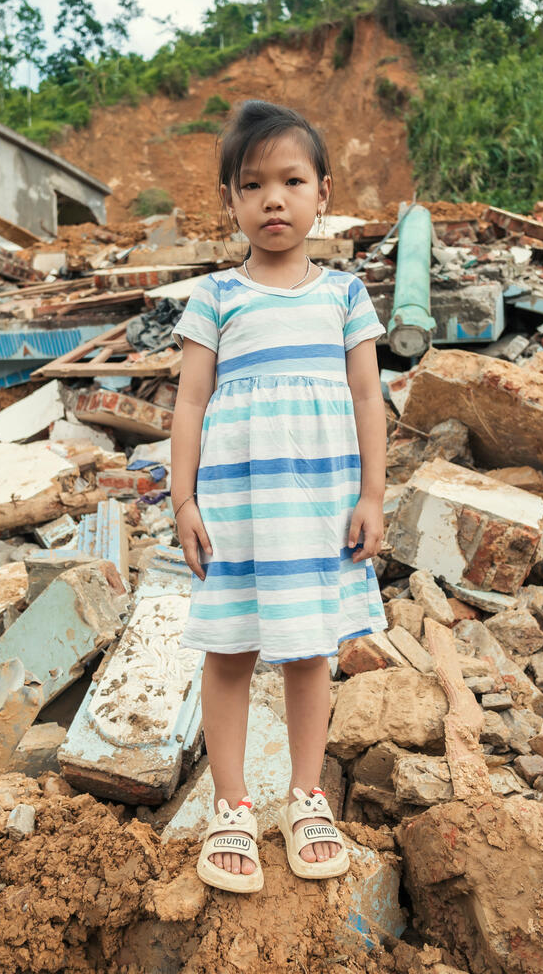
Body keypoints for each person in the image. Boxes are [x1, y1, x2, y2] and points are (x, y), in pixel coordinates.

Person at [169, 100, 389, 893]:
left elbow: (369, 400)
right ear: (230, 199)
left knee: (309, 650)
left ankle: (306, 795)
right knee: (229, 649)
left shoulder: (344, 296)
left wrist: (373, 494)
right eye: (253, 183)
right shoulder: (216, 298)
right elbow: (190, 402)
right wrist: (183, 502)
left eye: (291, 180)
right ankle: (230, 805)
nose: (273, 199)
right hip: (237, 510)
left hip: (318, 505)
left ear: (322, 192)